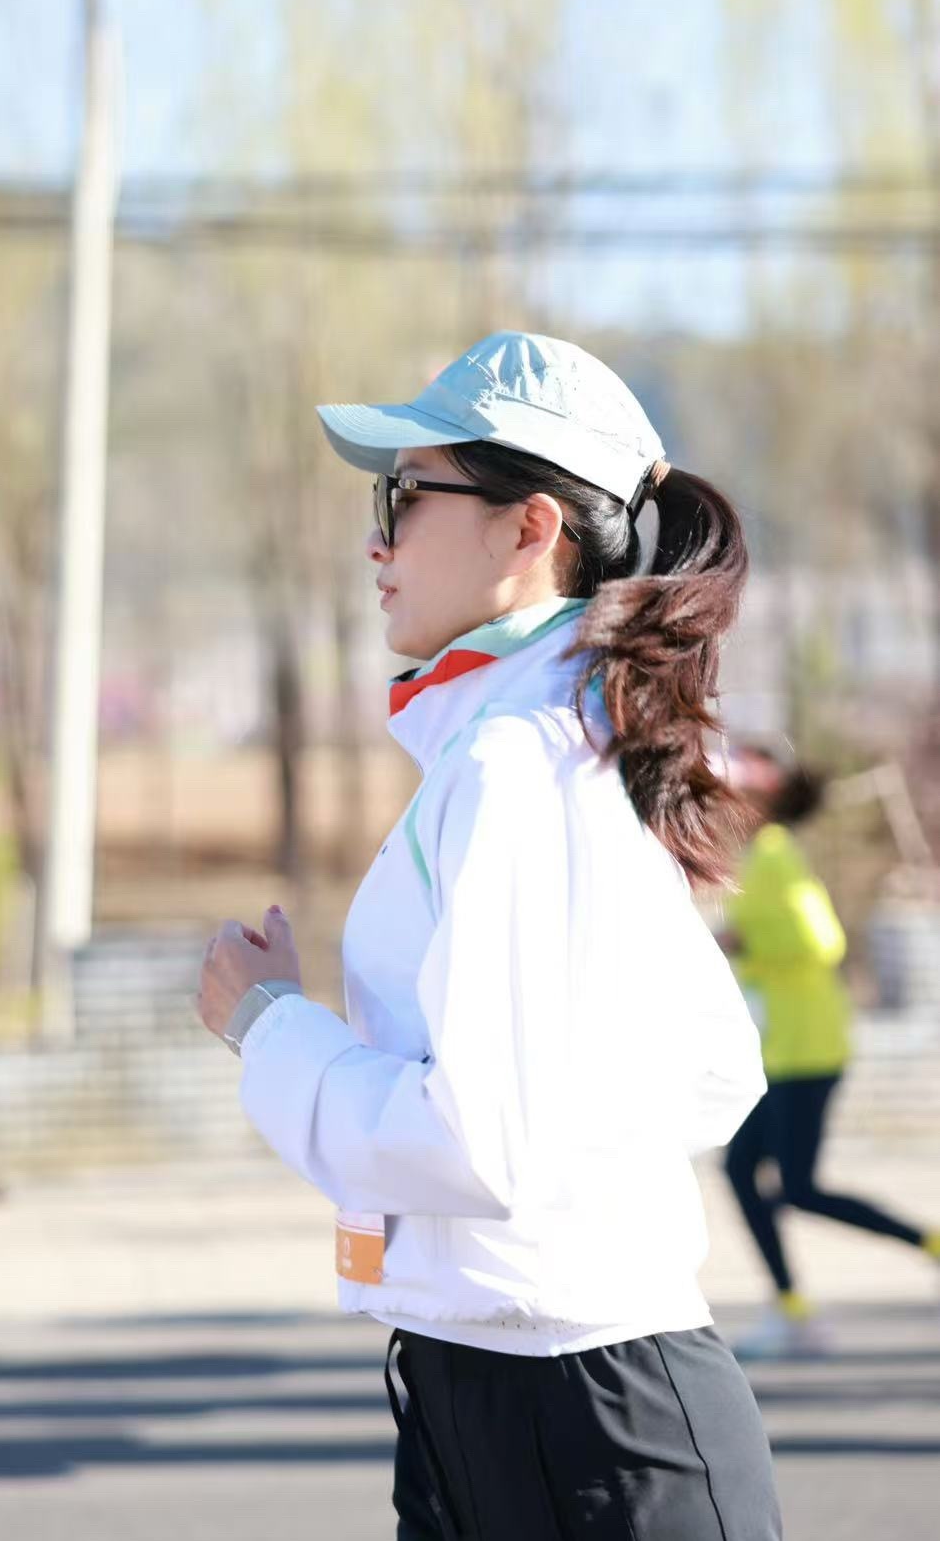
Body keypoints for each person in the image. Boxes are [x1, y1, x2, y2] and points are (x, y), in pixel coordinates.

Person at [197, 330, 782, 1540]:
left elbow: (477, 1143)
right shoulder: (549, 740)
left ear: (530, 529)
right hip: (511, 1385)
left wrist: (269, 1028)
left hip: (577, 1416)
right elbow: (715, 1069)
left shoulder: (525, 760)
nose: (377, 537)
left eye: (405, 496)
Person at [721, 744, 940, 1359]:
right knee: (746, 1172)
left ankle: (926, 1248)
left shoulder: (774, 856)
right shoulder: (763, 856)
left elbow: (821, 942)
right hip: (788, 1049)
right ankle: (792, 1307)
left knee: (796, 1187)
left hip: (808, 1047)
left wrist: (742, 946)